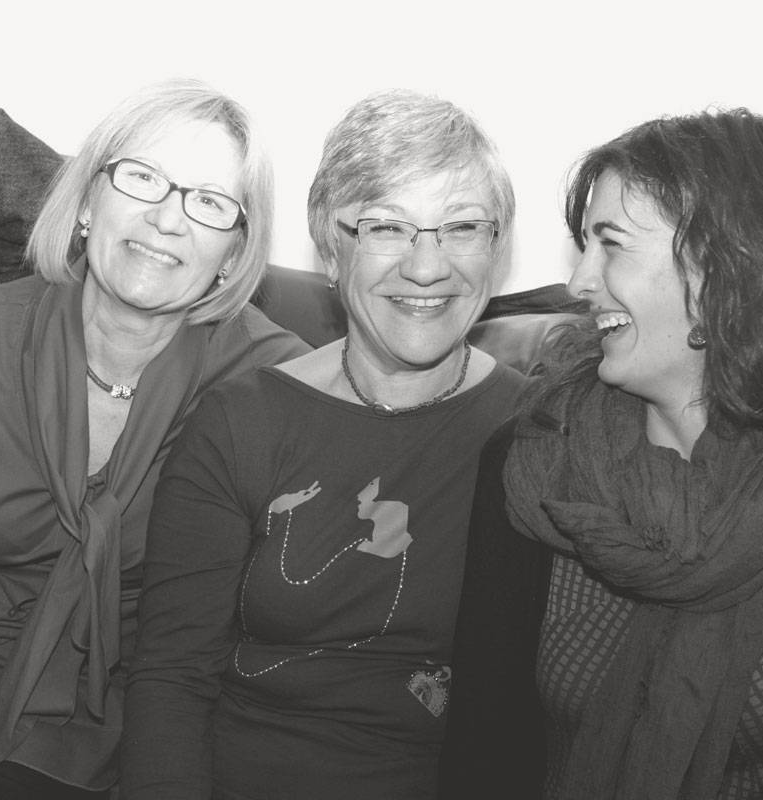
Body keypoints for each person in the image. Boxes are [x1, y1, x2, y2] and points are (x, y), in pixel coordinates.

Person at [443, 109, 763, 799]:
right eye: (584, 246)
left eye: (611, 244)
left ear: (725, 274)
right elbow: (480, 753)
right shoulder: (531, 463)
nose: (579, 283)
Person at [121, 90, 528, 798]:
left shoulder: (536, 431)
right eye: (386, 227)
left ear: (495, 250)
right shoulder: (241, 422)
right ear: (331, 249)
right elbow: (172, 679)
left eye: (462, 227)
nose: (426, 267)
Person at [0, 79, 308, 798]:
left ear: (234, 252)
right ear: (87, 203)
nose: (166, 219)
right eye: (143, 178)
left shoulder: (273, 387)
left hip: (138, 728)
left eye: (208, 201)